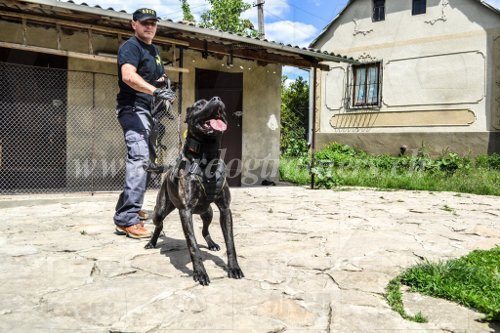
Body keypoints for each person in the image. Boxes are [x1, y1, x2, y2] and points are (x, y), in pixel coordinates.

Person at [114, 8, 176, 238]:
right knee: (139, 159)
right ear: (134, 25)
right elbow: (129, 76)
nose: (149, 27)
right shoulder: (131, 47)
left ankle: (126, 210)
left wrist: (164, 87)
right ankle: (127, 219)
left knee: (147, 161)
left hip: (148, 113)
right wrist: (154, 91)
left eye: (153, 23)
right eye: (144, 23)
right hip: (132, 109)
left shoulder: (154, 50)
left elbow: (156, 78)